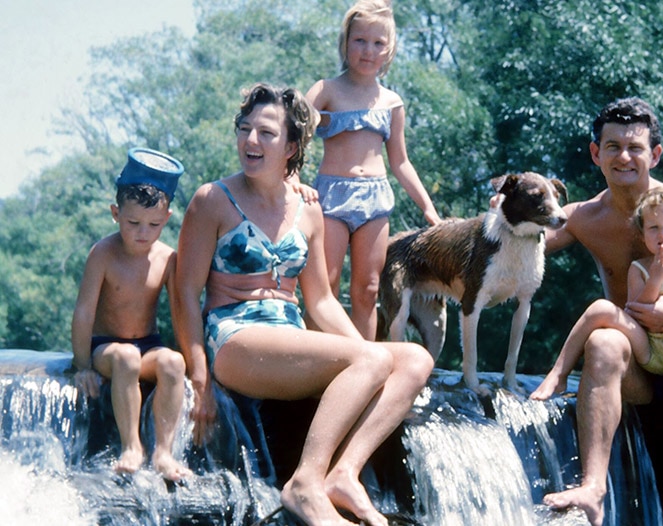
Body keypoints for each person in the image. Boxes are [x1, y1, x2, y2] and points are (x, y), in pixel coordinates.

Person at [172, 82, 434, 526]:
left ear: (292, 145)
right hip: (235, 340)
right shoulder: (212, 200)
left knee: (412, 359)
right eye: (245, 128)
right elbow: (183, 293)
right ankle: (304, 485)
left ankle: (344, 473)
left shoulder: (309, 209)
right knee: (370, 359)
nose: (251, 141)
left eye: (267, 133)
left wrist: (371, 359)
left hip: (289, 338)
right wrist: (199, 377)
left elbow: (322, 301)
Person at [533, 97, 663, 526]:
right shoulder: (583, 218)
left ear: (655, 154)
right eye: (612, 147)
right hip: (638, 366)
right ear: (596, 154)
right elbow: (509, 242)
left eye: (636, 147)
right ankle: (593, 487)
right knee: (604, 339)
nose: (624, 157)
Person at [531, 184, 663, 442]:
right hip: (648, 349)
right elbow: (635, 312)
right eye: (654, 228)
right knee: (600, 308)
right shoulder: (639, 269)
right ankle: (558, 374)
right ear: (643, 236)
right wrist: (655, 279)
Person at [305, 0, 441, 340]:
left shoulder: (391, 102)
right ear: (346, 43)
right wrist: (290, 181)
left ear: (389, 49)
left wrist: (429, 209)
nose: (368, 50)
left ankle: (362, 365)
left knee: (367, 290)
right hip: (331, 198)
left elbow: (400, 162)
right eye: (360, 41)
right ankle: (311, 367)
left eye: (378, 43)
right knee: (327, 285)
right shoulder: (325, 90)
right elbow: (293, 136)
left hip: (375, 200)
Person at [71, 147, 191, 482]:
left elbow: (181, 313)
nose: (143, 232)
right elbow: (83, 312)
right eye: (133, 222)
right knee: (126, 357)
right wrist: (82, 366)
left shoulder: (168, 258)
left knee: (173, 363)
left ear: (166, 220)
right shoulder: (103, 254)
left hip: (148, 345)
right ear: (115, 213)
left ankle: (164, 452)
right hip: (106, 348)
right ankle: (132, 446)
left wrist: (195, 366)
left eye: (153, 225)